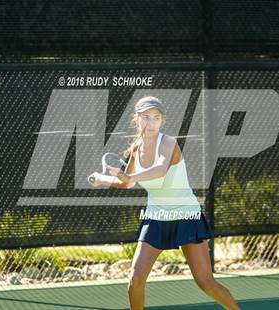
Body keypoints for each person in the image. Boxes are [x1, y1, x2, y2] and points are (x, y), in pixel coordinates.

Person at [88, 96, 240, 310]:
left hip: (186, 216)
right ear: (137, 119)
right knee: (135, 280)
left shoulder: (168, 142)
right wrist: (101, 178)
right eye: (146, 117)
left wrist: (131, 177)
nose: (150, 122)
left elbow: (160, 169)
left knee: (206, 283)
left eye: (156, 118)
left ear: (162, 121)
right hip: (156, 218)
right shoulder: (135, 149)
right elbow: (126, 183)